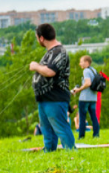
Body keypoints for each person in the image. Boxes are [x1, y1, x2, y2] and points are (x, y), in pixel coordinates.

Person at [29, 23, 75, 151]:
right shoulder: (51, 52)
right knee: (47, 129)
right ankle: (49, 151)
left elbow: (50, 72)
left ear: (41, 38)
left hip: (56, 98)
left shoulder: (59, 51)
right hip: (45, 99)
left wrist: (35, 66)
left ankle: (71, 151)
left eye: (37, 38)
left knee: (60, 127)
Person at [72, 55, 101, 139]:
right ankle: (96, 134)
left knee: (82, 117)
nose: (80, 63)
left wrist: (78, 89)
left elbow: (88, 83)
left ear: (86, 62)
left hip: (84, 98)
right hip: (93, 98)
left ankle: (81, 136)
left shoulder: (86, 71)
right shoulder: (94, 70)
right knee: (93, 117)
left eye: (81, 61)